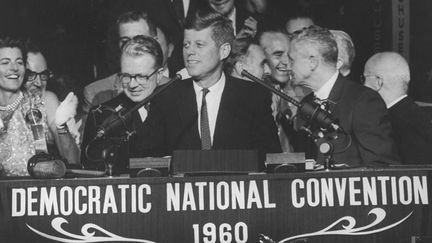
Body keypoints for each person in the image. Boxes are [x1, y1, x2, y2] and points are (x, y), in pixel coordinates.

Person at [156, 9, 281, 156]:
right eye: (186, 45)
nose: (190, 52)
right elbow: (149, 160)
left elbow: (271, 158)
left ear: (224, 51)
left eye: (199, 44)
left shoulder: (254, 98)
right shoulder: (164, 97)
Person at [288, 26, 400, 166]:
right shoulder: (306, 104)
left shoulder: (363, 101)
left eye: (292, 60)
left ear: (313, 62)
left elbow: (383, 169)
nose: (287, 66)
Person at [81, 36, 166, 172]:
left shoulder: (176, 110)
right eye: (126, 76)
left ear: (160, 74)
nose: (132, 85)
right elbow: (92, 173)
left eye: (141, 77)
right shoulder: (101, 115)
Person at [0, 37, 79, 177]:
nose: (13, 68)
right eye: (5, 62)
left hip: (36, 193)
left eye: (19, 62)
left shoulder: (43, 101)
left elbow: (73, 162)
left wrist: (62, 128)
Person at [83, 10, 173, 114]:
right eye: (125, 41)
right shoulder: (96, 93)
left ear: (155, 42)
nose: (131, 46)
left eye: (139, 40)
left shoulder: (175, 89)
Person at [363, 52, 432, 164]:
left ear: (378, 81)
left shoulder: (385, 124)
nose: (363, 85)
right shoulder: (421, 116)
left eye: (364, 78)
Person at [259, 30, 309, 152]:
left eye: (289, 55)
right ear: (262, 57)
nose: (287, 62)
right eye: (278, 54)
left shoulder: (304, 92)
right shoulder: (255, 96)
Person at [26, 42, 82, 146]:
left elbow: (74, 160)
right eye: (30, 75)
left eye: (44, 74)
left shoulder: (58, 108)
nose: (38, 82)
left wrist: (61, 129)